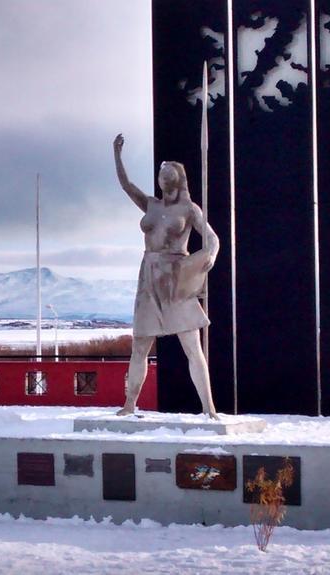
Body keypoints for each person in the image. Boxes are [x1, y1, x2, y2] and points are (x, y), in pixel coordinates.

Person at [113, 133, 220, 419]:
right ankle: (129, 404)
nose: (163, 179)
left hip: (176, 278)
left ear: (178, 179)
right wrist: (117, 155)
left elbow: (212, 237)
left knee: (192, 347)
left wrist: (210, 254)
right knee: (140, 346)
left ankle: (209, 409)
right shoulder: (151, 205)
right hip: (149, 277)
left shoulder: (189, 209)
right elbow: (126, 186)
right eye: (160, 175)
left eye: (168, 175)